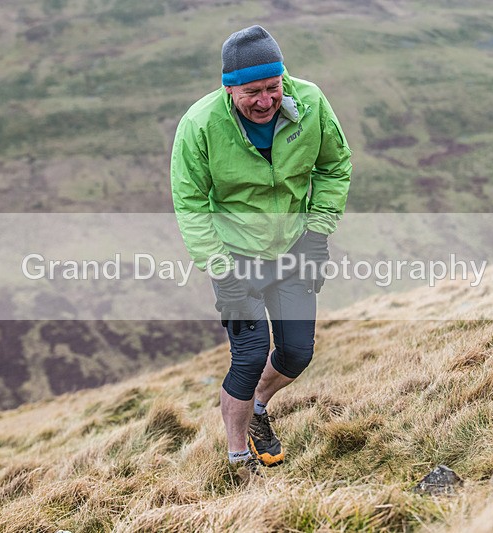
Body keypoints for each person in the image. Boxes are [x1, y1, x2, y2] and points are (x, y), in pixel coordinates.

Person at [170, 25, 351, 482]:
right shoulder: (200, 124)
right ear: (229, 88)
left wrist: (317, 235)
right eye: (252, 92)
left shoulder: (308, 103)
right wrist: (222, 273)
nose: (266, 100)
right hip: (235, 259)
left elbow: (334, 166)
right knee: (249, 355)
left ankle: (258, 410)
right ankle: (238, 461)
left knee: (296, 353)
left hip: (293, 250)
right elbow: (190, 205)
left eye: (273, 87)